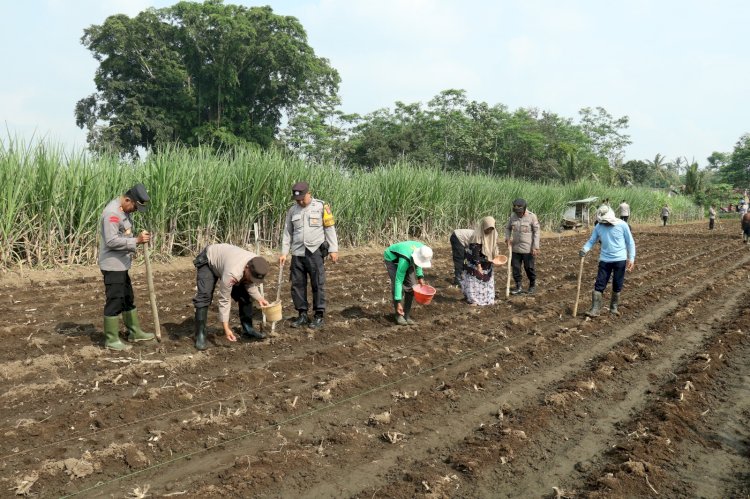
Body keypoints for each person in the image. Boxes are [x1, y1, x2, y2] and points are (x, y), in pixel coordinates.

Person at [98, 183, 156, 351]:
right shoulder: (112, 213)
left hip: (122, 265)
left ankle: (134, 332)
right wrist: (136, 241)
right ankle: (111, 339)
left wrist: (136, 241)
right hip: (112, 265)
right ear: (128, 199)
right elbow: (111, 241)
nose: (135, 210)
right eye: (135, 207)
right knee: (115, 300)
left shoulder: (123, 210)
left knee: (127, 297)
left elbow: (125, 233)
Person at [279, 181, 339, 330]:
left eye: (302, 199)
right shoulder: (293, 210)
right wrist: (284, 253)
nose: (299, 201)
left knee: (317, 283)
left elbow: (329, 228)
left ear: (308, 194)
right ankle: (302, 314)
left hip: (315, 251)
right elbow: (287, 232)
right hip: (297, 252)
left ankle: (319, 315)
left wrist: (333, 249)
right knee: (297, 285)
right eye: (297, 199)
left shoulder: (321, 206)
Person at [192, 244, 270, 350]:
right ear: (247, 267)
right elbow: (224, 299)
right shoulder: (233, 273)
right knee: (204, 296)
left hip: (226, 261)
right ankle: (200, 335)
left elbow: (250, 284)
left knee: (245, 296)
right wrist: (226, 328)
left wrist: (260, 298)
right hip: (209, 260)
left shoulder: (256, 262)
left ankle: (248, 329)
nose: (252, 280)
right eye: (251, 277)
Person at [578, 206, 636, 317]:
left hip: (620, 259)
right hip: (605, 259)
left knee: (617, 284)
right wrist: (584, 250)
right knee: (599, 284)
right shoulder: (599, 226)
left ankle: (613, 308)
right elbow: (592, 241)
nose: (605, 223)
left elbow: (630, 242)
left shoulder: (622, 225)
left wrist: (631, 258)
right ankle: (595, 309)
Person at [384, 241, 433, 325]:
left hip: (408, 257)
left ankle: (406, 315)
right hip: (392, 258)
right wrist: (399, 302)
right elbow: (398, 281)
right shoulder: (405, 260)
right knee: (399, 287)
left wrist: (420, 277)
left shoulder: (423, 249)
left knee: (411, 287)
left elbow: (419, 262)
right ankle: (398, 314)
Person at [460, 217, 504, 306]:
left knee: (487, 280)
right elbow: (475, 254)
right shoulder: (477, 236)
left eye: (491, 228)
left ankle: (488, 299)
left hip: (487, 262)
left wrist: (496, 258)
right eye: (487, 228)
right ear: (483, 226)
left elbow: (494, 248)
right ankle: (474, 300)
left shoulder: (494, 234)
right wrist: (478, 266)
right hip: (476, 262)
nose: (489, 231)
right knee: (475, 281)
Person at [505, 198, 540, 295]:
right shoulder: (513, 216)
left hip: (528, 249)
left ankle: (532, 285)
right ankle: (518, 286)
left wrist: (535, 247)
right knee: (516, 268)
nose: (518, 214)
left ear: (524, 209)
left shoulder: (532, 217)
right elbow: (507, 228)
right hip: (515, 248)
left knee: (529, 268)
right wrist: (507, 238)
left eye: (520, 212)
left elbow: (537, 232)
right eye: (517, 212)